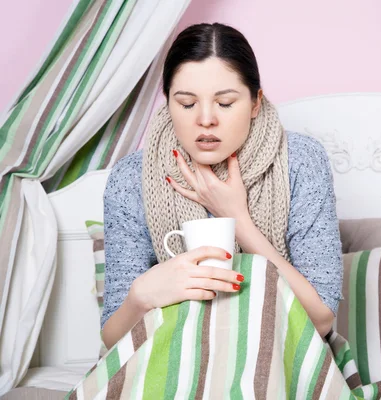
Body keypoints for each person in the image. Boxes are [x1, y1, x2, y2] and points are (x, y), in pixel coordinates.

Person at [100, 23, 343, 349]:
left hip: (279, 353)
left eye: (225, 103)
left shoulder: (300, 161)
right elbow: (113, 338)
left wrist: (237, 219)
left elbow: (322, 320)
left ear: (256, 102)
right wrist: (142, 296)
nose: (205, 119)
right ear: (168, 102)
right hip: (175, 356)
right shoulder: (131, 177)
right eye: (186, 103)